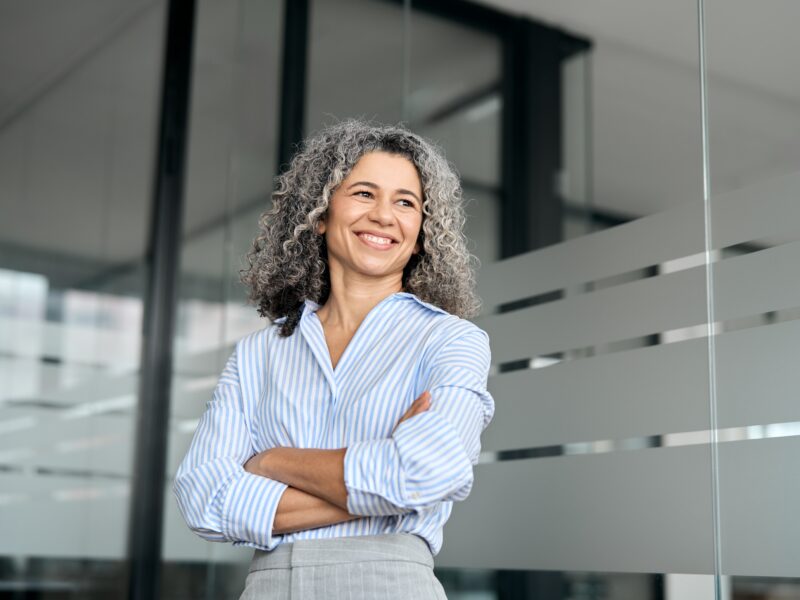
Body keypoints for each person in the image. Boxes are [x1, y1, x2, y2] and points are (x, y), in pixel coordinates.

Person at [173, 118, 495, 599]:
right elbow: (204, 500)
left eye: (405, 202)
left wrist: (272, 461)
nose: (385, 215)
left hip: (388, 584)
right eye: (364, 193)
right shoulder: (259, 354)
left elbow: (429, 472)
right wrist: (388, 488)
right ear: (320, 213)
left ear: (423, 229)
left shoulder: (449, 340)